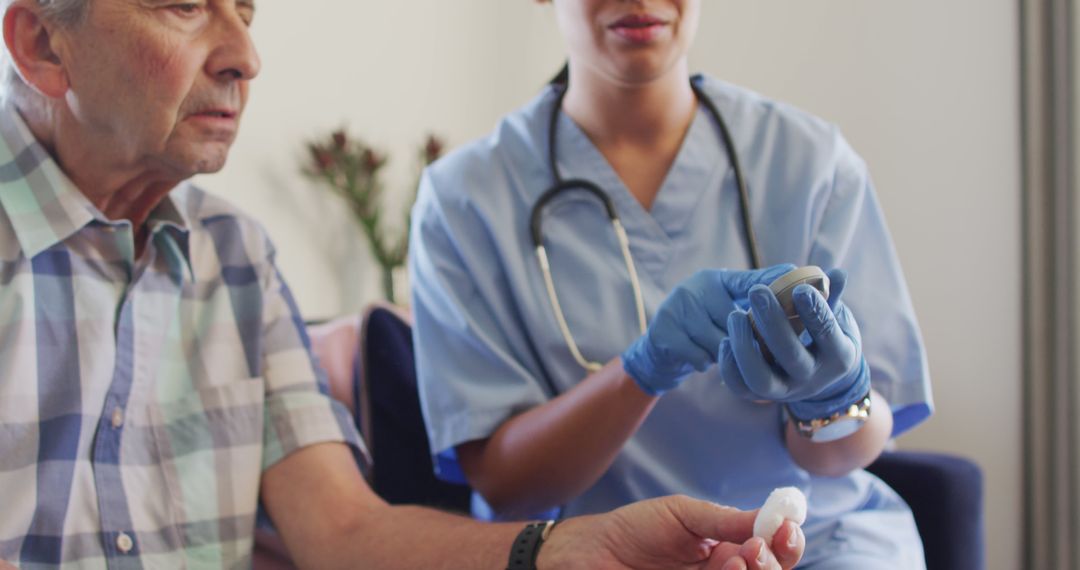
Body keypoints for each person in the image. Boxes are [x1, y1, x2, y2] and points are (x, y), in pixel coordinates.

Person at [0, 0, 807, 568]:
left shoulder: (235, 258)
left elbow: (345, 535)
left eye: (245, 10)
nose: (245, 56)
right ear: (41, 44)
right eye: (181, 5)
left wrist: (569, 549)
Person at [409, 0, 933, 568]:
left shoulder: (812, 163)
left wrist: (835, 398)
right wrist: (644, 368)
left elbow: (853, 447)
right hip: (599, 555)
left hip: (816, 544)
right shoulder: (463, 200)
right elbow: (507, 487)